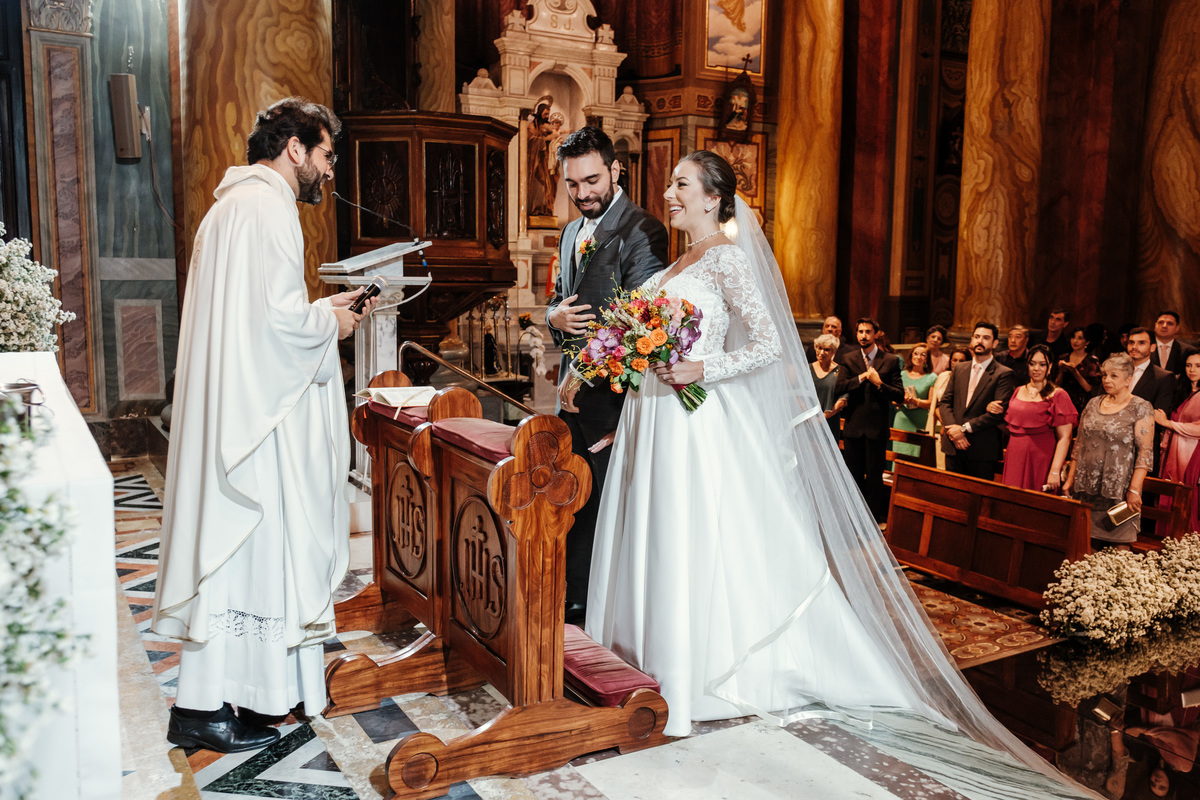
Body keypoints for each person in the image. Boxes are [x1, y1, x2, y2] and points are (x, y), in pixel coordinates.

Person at [584, 150, 1099, 798]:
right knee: (655, 536)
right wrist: (632, 369)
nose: (669, 192)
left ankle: (697, 669)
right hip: (655, 418)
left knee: (694, 538)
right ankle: (644, 658)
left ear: (713, 197)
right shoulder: (677, 264)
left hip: (694, 422)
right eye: (671, 183)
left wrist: (701, 368)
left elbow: (769, 344)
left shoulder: (728, 259)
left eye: (680, 183)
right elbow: (649, 339)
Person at [152, 98, 373, 753]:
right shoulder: (269, 208)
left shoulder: (229, 207)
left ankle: (241, 694)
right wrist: (331, 322)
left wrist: (316, 312)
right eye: (326, 155)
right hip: (256, 426)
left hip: (236, 411)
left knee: (241, 560)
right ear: (296, 148)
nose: (329, 171)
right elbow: (277, 328)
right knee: (253, 550)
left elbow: (255, 320)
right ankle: (203, 709)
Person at [546, 126, 668, 625]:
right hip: (571, 401)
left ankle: (605, 616)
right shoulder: (569, 233)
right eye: (572, 183)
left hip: (615, 403)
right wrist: (553, 317)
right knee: (572, 504)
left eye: (592, 180)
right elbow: (560, 299)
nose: (582, 193)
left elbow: (643, 325)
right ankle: (574, 604)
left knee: (611, 515)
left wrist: (625, 412)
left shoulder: (643, 230)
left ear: (616, 170)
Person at [1063, 353, 1154, 549]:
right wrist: (1070, 480)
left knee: (1119, 546)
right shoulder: (1093, 403)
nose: (1107, 380)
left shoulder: (1140, 407)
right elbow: (1079, 445)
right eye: (1104, 375)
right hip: (1086, 487)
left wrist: (1134, 489)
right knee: (1084, 544)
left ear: (1128, 379)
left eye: (1114, 376)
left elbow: (1145, 453)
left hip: (1119, 490)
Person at [835, 318, 905, 520]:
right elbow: (839, 387)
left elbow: (899, 395)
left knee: (875, 478)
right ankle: (852, 520)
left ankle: (872, 522)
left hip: (876, 429)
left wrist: (879, 383)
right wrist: (861, 377)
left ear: (876, 334)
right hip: (853, 428)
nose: (863, 335)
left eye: (867, 331)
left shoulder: (890, 360)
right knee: (852, 477)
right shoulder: (848, 358)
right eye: (860, 332)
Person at [937, 321, 1015, 480]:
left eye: (986, 338)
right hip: (953, 445)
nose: (980, 341)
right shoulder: (960, 368)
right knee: (950, 492)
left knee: (977, 495)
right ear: (972, 340)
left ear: (995, 343)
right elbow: (944, 402)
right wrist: (954, 431)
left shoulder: (1003, 373)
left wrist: (963, 429)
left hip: (981, 449)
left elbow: (997, 414)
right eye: (977, 337)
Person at [993, 344, 1077, 492]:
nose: (1036, 368)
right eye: (1032, 364)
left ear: (1049, 367)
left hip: (1041, 458)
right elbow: (1011, 427)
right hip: (1014, 455)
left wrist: (1055, 470)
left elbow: (1065, 438)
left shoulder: (1058, 395)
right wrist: (992, 410)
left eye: (1042, 364)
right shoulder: (1018, 390)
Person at [1154, 352, 1200, 534]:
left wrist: (1167, 423)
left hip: (1194, 455)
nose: (1192, 370)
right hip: (1174, 451)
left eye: (1198, 366)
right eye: (1189, 365)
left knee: (1188, 499)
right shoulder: (1183, 392)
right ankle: (1168, 540)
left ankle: (1186, 545)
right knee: (1172, 495)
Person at [925, 346, 971, 469]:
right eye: (954, 360)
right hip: (940, 422)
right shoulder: (944, 376)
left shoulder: (969, 380)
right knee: (935, 464)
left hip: (957, 428)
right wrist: (944, 422)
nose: (957, 363)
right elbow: (937, 403)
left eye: (961, 361)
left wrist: (949, 426)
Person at [892, 342, 937, 465]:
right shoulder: (902, 375)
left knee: (916, 455)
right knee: (899, 453)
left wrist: (915, 401)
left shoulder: (931, 377)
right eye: (915, 354)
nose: (918, 357)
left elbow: (931, 403)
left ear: (927, 359)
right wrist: (903, 400)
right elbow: (893, 401)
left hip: (919, 420)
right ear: (911, 356)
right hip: (902, 418)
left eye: (923, 355)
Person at [1128, 326, 1177, 413]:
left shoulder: (1164, 377)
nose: (1134, 347)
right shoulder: (1116, 370)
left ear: (1152, 347)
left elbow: (1160, 413)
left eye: (1141, 343)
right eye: (1131, 343)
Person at [809, 332, 848, 440]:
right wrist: (811, 418)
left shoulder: (841, 372)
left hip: (830, 422)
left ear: (834, 352)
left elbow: (843, 401)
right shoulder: (807, 369)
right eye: (819, 348)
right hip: (808, 422)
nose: (821, 352)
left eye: (826, 349)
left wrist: (822, 418)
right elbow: (799, 394)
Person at [1057, 325, 1102, 413]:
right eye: (1073, 337)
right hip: (1062, 401)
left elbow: (1089, 389)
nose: (1075, 341)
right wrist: (1061, 372)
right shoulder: (1063, 358)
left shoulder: (1091, 361)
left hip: (1082, 405)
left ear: (1087, 342)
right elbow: (1056, 386)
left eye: (1080, 338)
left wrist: (1075, 372)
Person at [1151, 310, 1197, 378]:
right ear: (1155, 326)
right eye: (1161, 322)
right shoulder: (1143, 348)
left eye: (1169, 323)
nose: (1164, 326)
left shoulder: (1188, 351)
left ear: (1177, 328)